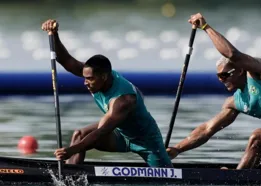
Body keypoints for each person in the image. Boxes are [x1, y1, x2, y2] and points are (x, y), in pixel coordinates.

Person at [166, 13, 261, 171]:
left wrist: (205, 27)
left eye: (225, 75)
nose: (222, 80)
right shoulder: (235, 102)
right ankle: (246, 181)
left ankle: (238, 179)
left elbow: (233, 55)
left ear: (239, 70)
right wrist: (178, 149)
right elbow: (207, 129)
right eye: (219, 77)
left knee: (258, 137)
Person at [41, 19, 172, 168]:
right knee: (79, 135)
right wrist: (54, 34)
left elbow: (103, 131)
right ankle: (70, 175)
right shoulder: (94, 73)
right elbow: (66, 60)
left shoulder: (124, 100)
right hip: (120, 134)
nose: (85, 82)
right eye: (85, 78)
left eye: (89, 79)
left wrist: (71, 150)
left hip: (145, 140)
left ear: (103, 76)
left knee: (167, 178)